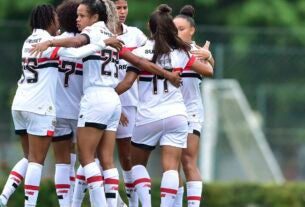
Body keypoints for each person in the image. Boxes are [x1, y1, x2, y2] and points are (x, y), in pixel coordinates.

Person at [30, 1, 181, 206]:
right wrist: (167, 75)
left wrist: (50, 43)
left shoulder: (92, 33)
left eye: (82, 15)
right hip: (113, 98)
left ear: (94, 17)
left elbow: (75, 44)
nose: (78, 19)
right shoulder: (113, 38)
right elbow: (140, 63)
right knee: (108, 160)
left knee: (86, 157)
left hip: (95, 98)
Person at [115, 4, 213, 207]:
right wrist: (208, 56)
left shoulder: (140, 52)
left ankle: (146, 204)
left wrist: (107, 96)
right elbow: (206, 70)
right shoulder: (182, 53)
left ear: (149, 28)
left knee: (137, 164)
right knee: (171, 167)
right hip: (177, 116)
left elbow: (126, 84)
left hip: (148, 116)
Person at [7, 4, 60, 207]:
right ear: (48, 20)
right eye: (56, 17)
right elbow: (75, 52)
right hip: (40, 108)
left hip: (20, 104)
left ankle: (3, 196)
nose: (58, 21)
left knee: (29, 157)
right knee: (37, 160)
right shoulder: (51, 43)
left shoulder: (28, 40)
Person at [173, 5, 214, 207]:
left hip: (191, 112)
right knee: (171, 165)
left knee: (188, 160)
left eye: (181, 29)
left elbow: (209, 69)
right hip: (169, 111)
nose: (177, 33)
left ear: (192, 30)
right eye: (174, 29)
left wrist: (209, 57)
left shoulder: (196, 52)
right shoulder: (166, 50)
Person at [111, 0, 147, 206]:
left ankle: (132, 204)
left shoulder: (135, 35)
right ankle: (115, 203)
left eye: (125, 7)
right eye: (118, 7)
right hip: (103, 104)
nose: (122, 12)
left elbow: (151, 56)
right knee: (96, 158)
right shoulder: (98, 34)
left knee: (127, 158)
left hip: (129, 104)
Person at [52, 1, 82, 206]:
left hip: (59, 110)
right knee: (89, 160)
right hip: (82, 111)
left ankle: (66, 204)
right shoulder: (87, 44)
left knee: (62, 162)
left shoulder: (55, 42)